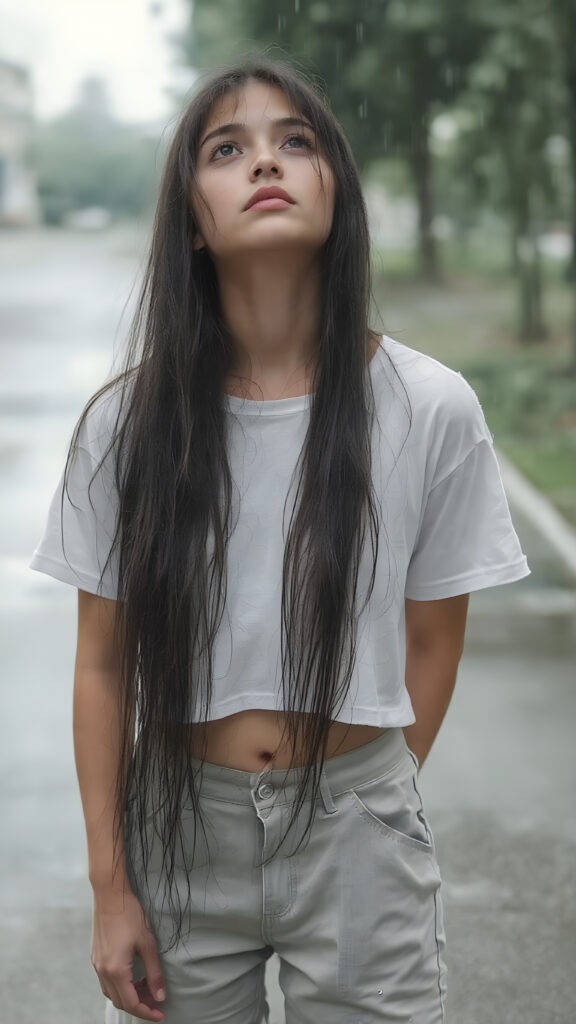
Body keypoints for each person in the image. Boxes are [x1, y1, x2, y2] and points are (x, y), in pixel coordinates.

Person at [30, 54, 530, 1024]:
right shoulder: (128, 424)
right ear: (191, 217)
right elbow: (101, 663)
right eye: (229, 148)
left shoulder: (428, 406)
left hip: (359, 823)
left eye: (295, 142)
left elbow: (433, 639)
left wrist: (361, 805)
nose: (267, 162)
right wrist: (111, 887)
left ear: (337, 190)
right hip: (177, 825)